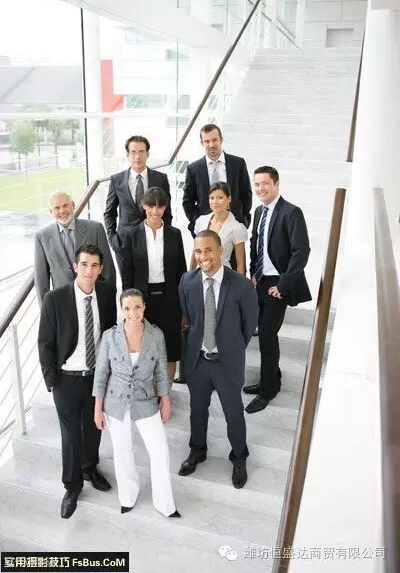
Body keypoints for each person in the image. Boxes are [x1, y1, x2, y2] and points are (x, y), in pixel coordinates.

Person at [38, 244, 117, 519]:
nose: (89, 271)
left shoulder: (107, 293)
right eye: (84, 264)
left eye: (94, 265)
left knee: (94, 428)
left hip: (95, 377)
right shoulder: (55, 299)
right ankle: (72, 487)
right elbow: (45, 343)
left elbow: (109, 334)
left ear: (101, 269)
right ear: (75, 266)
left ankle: (89, 467)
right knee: (71, 435)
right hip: (66, 379)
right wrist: (52, 381)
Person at [178, 230, 258, 488]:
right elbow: (189, 320)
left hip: (227, 363)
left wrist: (232, 349)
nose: (203, 256)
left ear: (221, 251)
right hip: (198, 361)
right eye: (198, 251)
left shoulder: (242, 285)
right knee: (197, 411)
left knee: (233, 414)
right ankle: (197, 450)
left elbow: (249, 325)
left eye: (209, 250)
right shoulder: (187, 281)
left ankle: (239, 456)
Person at [92, 288, 180, 518]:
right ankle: (127, 497)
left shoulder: (156, 335)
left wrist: (166, 400)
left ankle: (164, 504)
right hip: (115, 401)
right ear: (122, 309)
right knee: (122, 450)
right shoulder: (110, 337)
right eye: (127, 308)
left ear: (144, 307)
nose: (133, 313)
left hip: (146, 399)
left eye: (137, 307)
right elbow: (101, 374)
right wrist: (97, 408)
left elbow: (161, 371)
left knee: (159, 449)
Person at [244, 166, 312, 414]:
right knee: (263, 333)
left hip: (278, 285)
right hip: (261, 281)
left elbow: (301, 251)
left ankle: (268, 390)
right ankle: (271, 376)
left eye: (265, 183)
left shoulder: (291, 212)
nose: (260, 188)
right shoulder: (259, 211)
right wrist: (253, 272)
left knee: (267, 335)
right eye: (257, 184)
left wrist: (282, 285)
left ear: (276, 184)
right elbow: (256, 244)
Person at [121, 187, 187, 383]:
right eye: (151, 206)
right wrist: (128, 306)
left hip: (170, 298)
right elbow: (127, 273)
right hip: (142, 299)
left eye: (160, 207)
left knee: (171, 348)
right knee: (144, 348)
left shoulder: (175, 234)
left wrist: (184, 305)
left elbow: (181, 271)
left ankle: (165, 394)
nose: (155, 211)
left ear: (165, 208)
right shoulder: (132, 235)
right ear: (144, 206)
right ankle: (148, 393)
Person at [104, 135, 172, 274]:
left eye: (141, 152)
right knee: (128, 283)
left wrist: (163, 237)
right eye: (133, 152)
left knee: (152, 279)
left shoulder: (160, 179)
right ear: (127, 155)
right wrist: (112, 239)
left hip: (153, 241)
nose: (137, 156)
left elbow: (167, 211)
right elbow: (109, 213)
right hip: (124, 244)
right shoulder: (116, 180)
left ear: (148, 154)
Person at [34, 190, 116, 305]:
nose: (62, 211)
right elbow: (41, 280)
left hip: (94, 298)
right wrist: (45, 310)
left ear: (72, 205)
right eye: (57, 208)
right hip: (63, 302)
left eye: (65, 205)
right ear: (51, 211)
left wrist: (109, 303)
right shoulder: (42, 237)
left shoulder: (95, 229)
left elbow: (108, 270)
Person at [182, 124, 252, 238]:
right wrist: (196, 222)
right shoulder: (193, 169)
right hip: (205, 229)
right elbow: (188, 201)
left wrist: (244, 220)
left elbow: (246, 194)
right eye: (207, 141)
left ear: (221, 140)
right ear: (202, 143)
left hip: (234, 227)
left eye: (214, 140)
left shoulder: (238, 164)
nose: (211, 145)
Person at [190, 182, 247, 275]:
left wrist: (241, 283)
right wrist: (190, 275)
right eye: (212, 198)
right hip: (202, 273)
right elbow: (195, 251)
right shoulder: (201, 221)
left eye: (220, 197)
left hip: (225, 275)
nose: (215, 202)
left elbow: (240, 263)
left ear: (229, 199)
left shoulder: (237, 228)